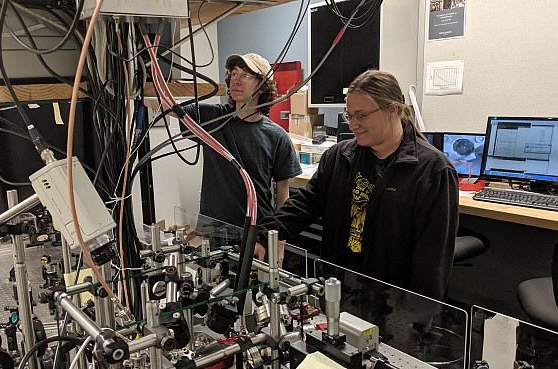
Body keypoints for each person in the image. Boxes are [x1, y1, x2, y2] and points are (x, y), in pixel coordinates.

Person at [254, 70, 459, 300]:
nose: (353, 125)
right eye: (349, 115)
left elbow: (432, 261)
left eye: (361, 115)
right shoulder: (339, 157)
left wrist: (418, 318)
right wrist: (264, 234)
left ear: (393, 109)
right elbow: (305, 204)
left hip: (392, 303)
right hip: (339, 290)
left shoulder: (432, 171)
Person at [147, 53, 302, 229]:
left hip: (255, 231)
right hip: (213, 230)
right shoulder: (212, 118)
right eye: (234, 74)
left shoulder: (277, 136)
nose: (236, 80)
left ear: (262, 87)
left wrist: (278, 239)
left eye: (245, 75)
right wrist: (136, 88)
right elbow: (168, 106)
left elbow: (283, 196)